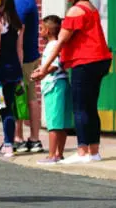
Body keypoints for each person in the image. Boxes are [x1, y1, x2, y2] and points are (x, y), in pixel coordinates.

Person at [33, 0, 112, 164]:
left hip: (84, 62)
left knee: (80, 108)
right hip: (99, 60)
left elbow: (60, 41)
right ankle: (94, 151)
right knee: (91, 107)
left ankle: (82, 151)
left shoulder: (75, 11)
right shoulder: (90, 8)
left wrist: (43, 68)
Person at [10, 0, 43, 154]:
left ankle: (19, 138)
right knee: (29, 97)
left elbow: (18, 33)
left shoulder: (21, 1)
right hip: (30, 55)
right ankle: (34, 139)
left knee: (20, 97)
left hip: (23, 58)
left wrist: (16, 58)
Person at [0, 0, 24, 158]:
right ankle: (8, 143)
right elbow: (20, 50)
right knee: (7, 108)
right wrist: (20, 73)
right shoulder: (17, 23)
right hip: (13, 70)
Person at [36, 15, 73, 164]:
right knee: (62, 122)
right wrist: (40, 70)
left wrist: (41, 73)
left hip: (54, 85)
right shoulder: (57, 44)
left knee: (53, 122)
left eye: (42, 29)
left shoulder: (53, 45)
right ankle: (59, 153)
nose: (40, 31)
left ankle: (52, 155)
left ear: (48, 31)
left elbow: (54, 65)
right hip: (61, 83)